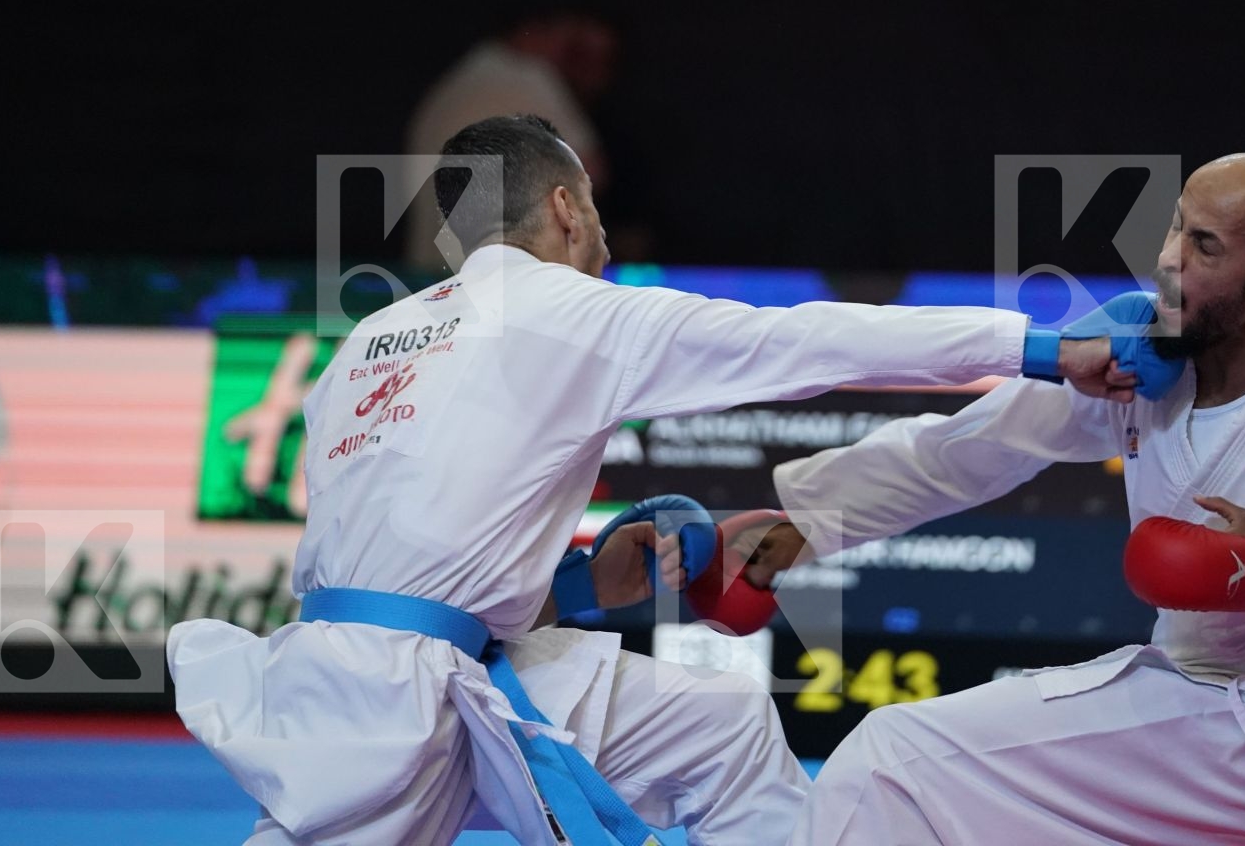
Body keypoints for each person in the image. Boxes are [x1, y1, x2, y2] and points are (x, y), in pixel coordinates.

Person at [168, 113, 1155, 846]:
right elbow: (809, 339)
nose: (598, 234)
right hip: (388, 698)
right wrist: (1038, 344)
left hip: (386, 659)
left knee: (717, 725)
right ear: (564, 206)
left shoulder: (371, 341)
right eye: (590, 209)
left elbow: (399, 556)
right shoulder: (569, 307)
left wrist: (586, 585)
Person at [727, 153, 1245, 845]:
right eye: (1174, 228)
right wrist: (806, 525)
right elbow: (980, 447)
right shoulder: (1149, 361)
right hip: (1184, 701)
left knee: (892, 761)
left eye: (1204, 246)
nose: (1166, 261)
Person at [403, 11, 617, 270]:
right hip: (492, 282)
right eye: (575, 50)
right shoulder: (525, 76)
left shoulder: (459, 80)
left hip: (432, 276)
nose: (571, 64)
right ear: (541, 29)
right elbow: (587, 172)